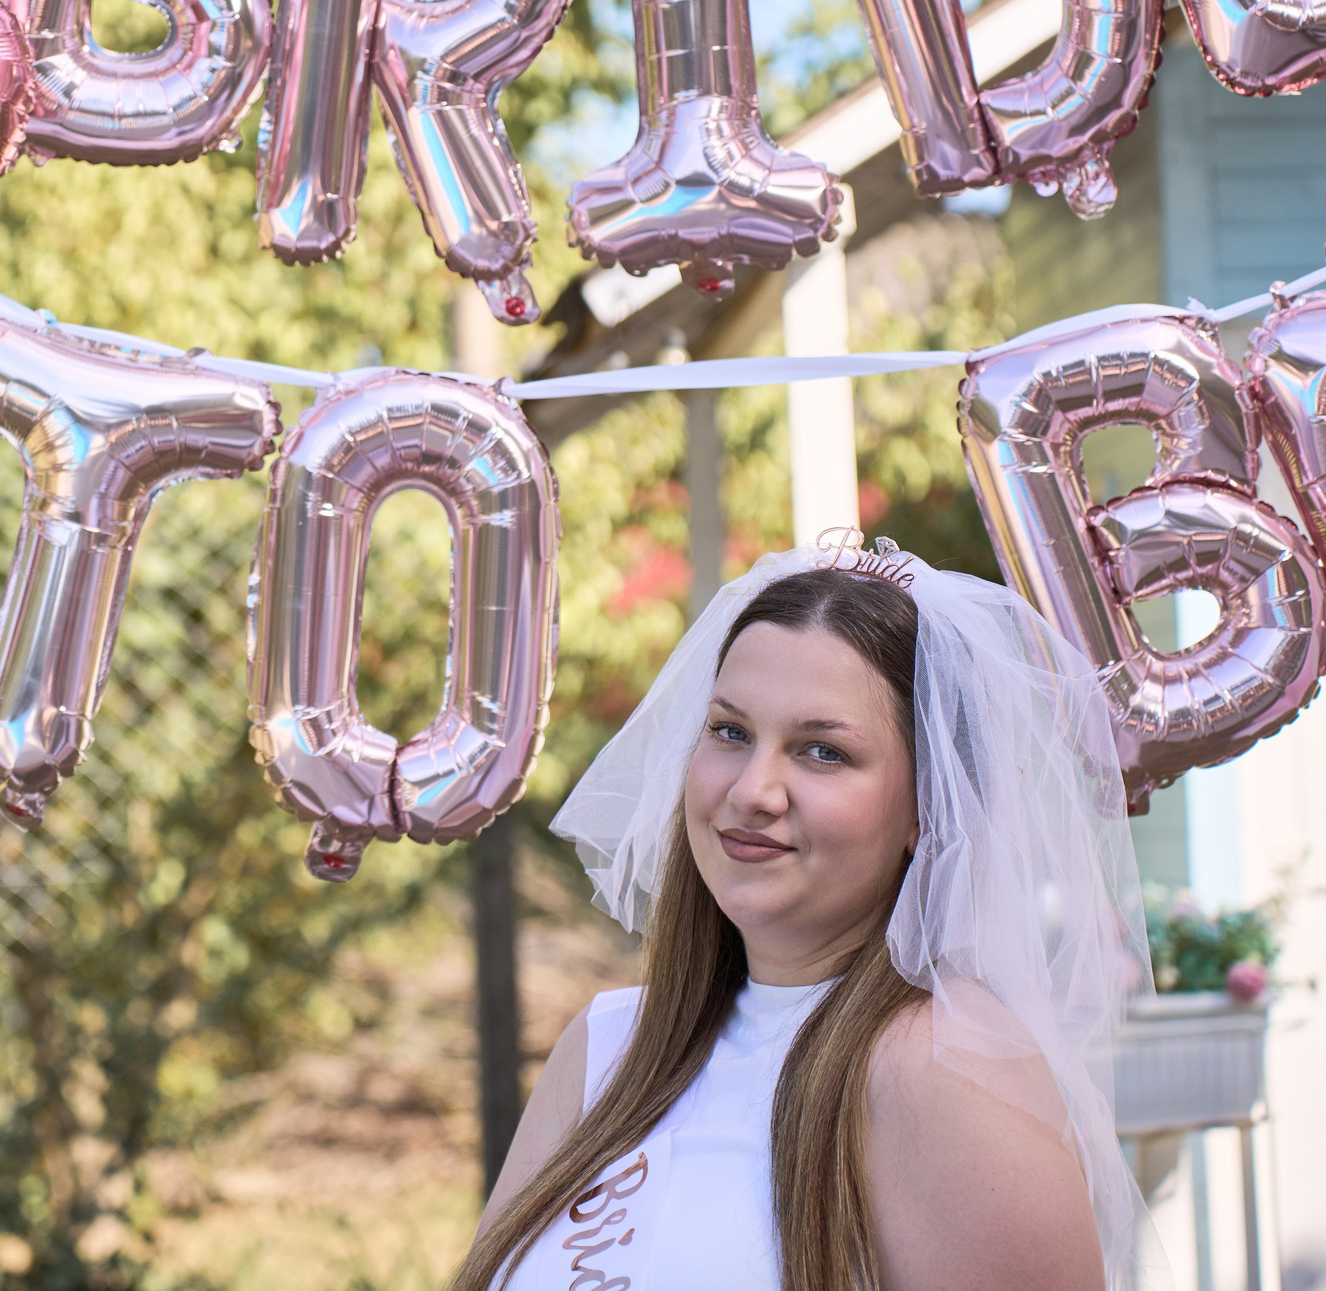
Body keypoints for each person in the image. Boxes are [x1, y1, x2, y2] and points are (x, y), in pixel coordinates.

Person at [456, 535, 1151, 1291]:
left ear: (928, 806)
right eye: (730, 731)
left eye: (822, 751)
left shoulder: (948, 1075)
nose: (754, 788)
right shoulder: (605, 1050)